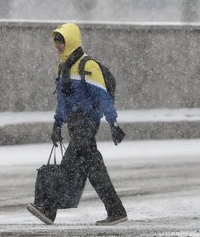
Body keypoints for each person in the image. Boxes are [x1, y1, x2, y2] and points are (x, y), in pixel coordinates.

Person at [27, 22, 128, 226]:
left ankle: (49, 208)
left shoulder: (87, 66)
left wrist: (113, 122)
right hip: (74, 124)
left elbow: (102, 96)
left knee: (68, 166)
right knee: (94, 169)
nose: (57, 44)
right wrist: (57, 123)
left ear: (71, 40)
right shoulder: (64, 67)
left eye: (61, 40)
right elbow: (62, 100)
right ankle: (116, 210)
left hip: (87, 123)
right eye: (56, 40)